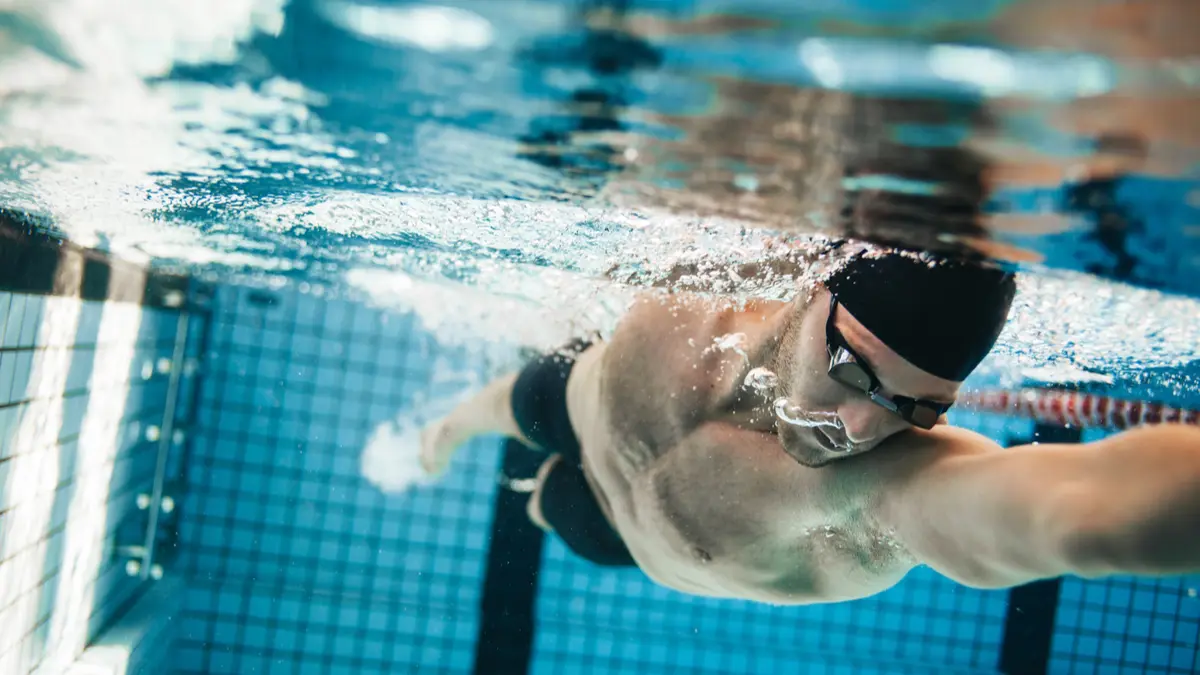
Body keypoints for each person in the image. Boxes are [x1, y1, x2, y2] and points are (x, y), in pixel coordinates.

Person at [418, 240, 1200, 604]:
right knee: (509, 405)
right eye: (855, 369)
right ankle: (446, 432)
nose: (862, 426)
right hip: (579, 400)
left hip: (619, 539)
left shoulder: (877, 494)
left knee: (547, 503)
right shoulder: (703, 279)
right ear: (815, 286)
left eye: (914, 408)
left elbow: (1073, 512)